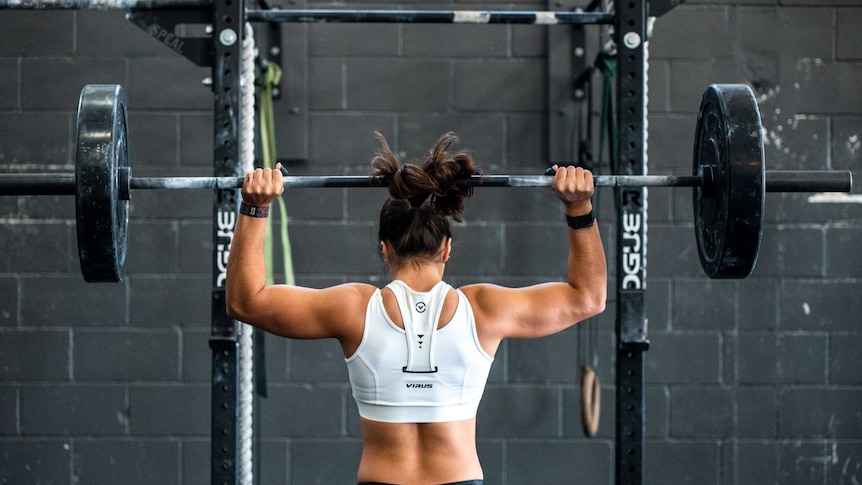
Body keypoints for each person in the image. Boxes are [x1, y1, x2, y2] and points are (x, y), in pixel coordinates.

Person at [226, 132, 607, 485]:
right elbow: (587, 297)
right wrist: (580, 207)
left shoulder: (353, 308)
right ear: (446, 248)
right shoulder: (484, 309)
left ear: (384, 248)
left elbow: (246, 301)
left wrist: (255, 208)